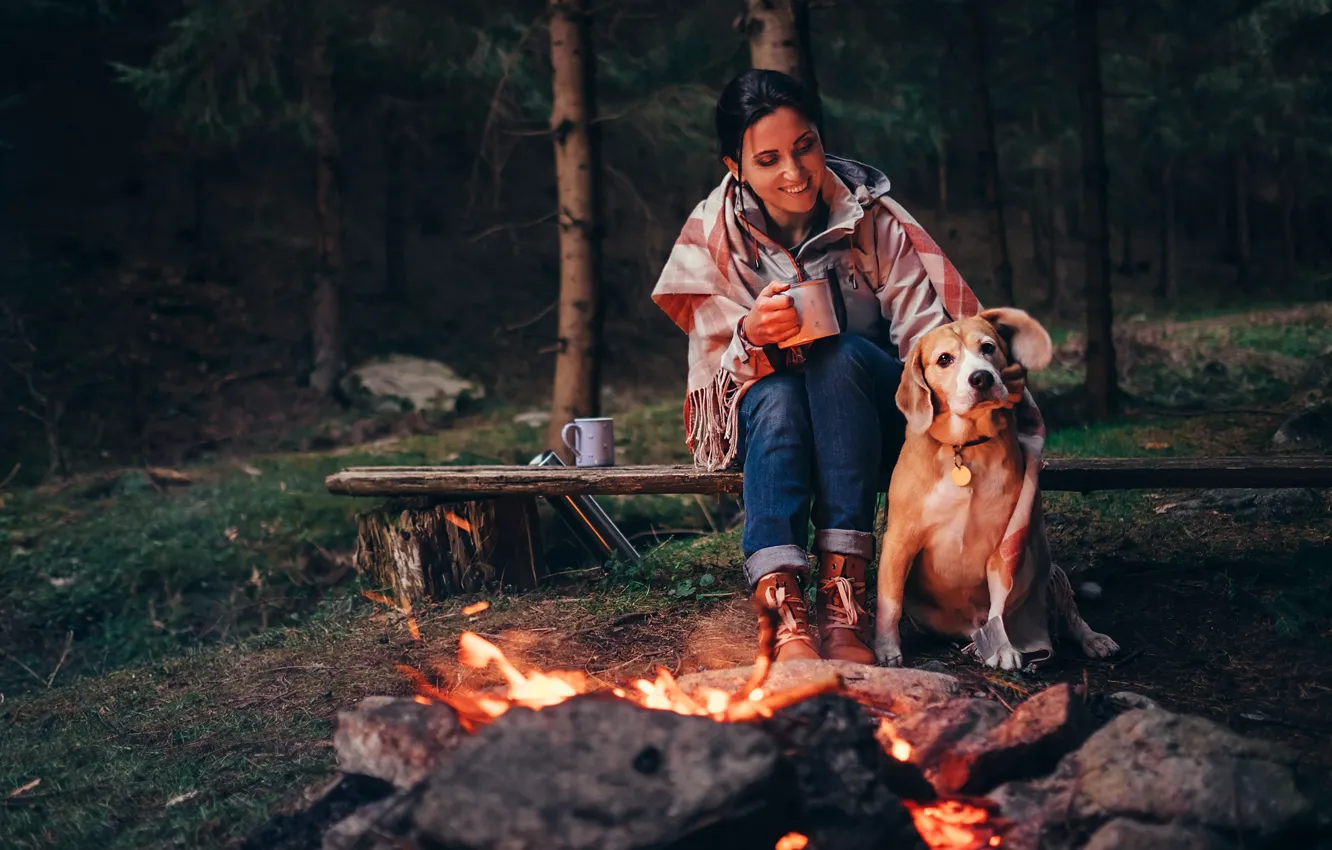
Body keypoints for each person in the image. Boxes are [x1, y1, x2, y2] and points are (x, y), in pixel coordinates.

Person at [652, 69, 1013, 664]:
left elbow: (928, 342)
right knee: (780, 396)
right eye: (768, 159)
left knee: (837, 353)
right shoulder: (713, 236)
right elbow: (718, 382)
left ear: (820, 138)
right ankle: (783, 607)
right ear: (734, 166)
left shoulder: (871, 220)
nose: (794, 172)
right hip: (773, 421)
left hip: (871, 411)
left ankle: (846, 597)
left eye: (805, 146)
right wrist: (751, 334)